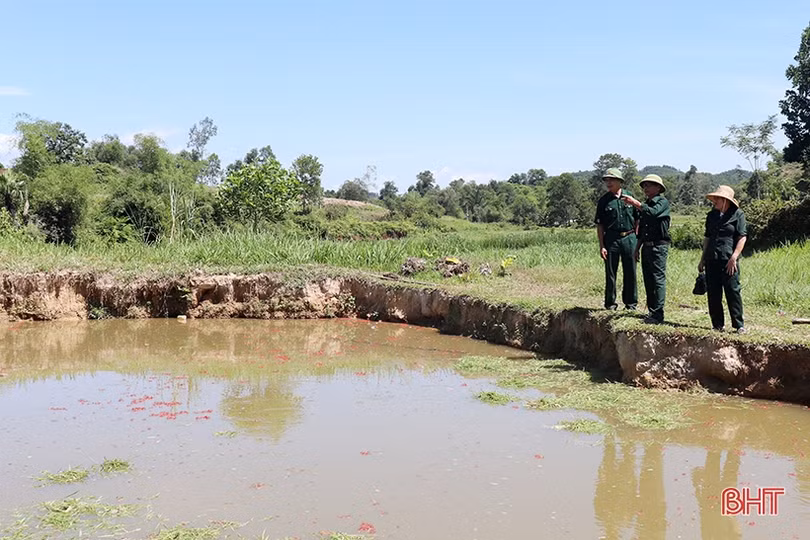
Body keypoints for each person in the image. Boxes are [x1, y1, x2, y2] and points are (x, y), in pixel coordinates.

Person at [621, 174, 671, 324]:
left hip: (658, 246)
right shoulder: (645, 205)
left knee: (658, 280)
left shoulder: (662, 202)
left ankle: (658, 313)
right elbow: (642, 230)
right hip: (646, 247)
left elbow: (652, 212)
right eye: (644, 186)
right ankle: (652, 311)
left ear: (658, 188)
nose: (645, 188)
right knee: (648, 280)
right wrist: (637, 248)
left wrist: (635, 203)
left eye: (649, 185)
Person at [697, 185, 747, 333]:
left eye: (717, 199)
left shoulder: (737, 214)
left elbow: (742, 237)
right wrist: (702, 259)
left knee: (733, 291)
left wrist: (734, 256)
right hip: (712, 258)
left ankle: (738, 325)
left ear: (726, 200)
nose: (714, 201)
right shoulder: (711, 216)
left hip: (728, 260)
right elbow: (707, 237)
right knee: (713, 292)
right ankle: (717, 324)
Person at [594, 167, 639, 310]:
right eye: (606, 180)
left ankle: (631, 304)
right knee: (611, 272)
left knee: (630, 272)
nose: (608, 183)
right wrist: (602, 246)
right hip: (611, 239)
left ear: (620, 181)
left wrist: (637, 241)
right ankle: (610, 304)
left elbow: (637, 219)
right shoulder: (604, 201)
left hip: (629, 238)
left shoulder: (630, 197)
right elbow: (600, 225)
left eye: (612, 180)